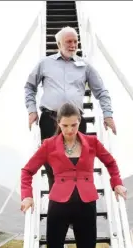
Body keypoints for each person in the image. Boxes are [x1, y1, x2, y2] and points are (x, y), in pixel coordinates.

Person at [20, 103, 127, 248]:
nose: (69, 130)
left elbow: (111, 163)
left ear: (80, 122)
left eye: (74, 125)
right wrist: (27, 196)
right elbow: (27, 171)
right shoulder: (49, 145)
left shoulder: (92, 142)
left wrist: (117, 184)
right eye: (65, 125)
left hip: (86, 204)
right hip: (59, 203)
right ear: (58, 123)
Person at [24, 26, 117, 191]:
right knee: (53, 165)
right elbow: (30, 87)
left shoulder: (85, 66)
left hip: (76, 122)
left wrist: (108, 115)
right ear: (59, 44)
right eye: (69, 41)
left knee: (77, 166)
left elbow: (102, 91)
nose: (73, 45)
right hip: (50, 120)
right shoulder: (45, 63)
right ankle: (57, 203)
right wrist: (32, 111)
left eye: (76, 41)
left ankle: (78, 202)